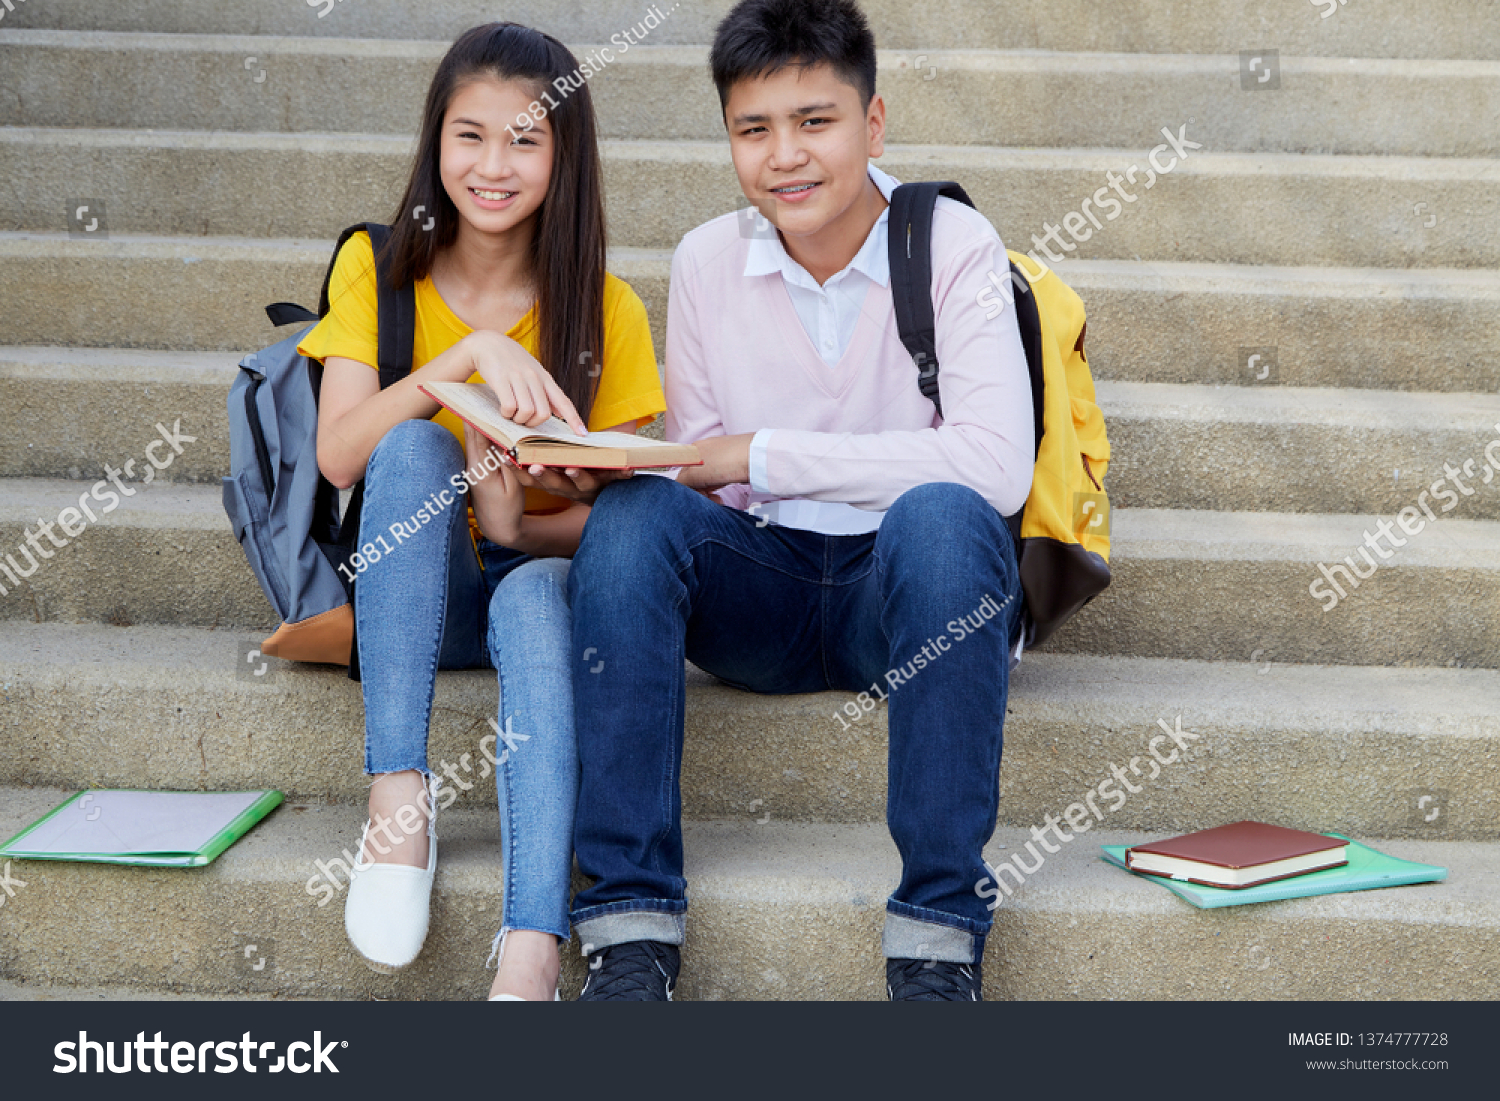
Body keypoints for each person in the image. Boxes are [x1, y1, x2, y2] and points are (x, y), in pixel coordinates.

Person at [561, 0, 1035, 1000]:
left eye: (815, 121)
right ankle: (629, 931)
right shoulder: (704, 262)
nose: (787, 156)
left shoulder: (953, 243)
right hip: (763, 589)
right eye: (753, 129)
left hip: (902, 602)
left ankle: (939, 937)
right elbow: (712, 479)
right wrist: (622, 468)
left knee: (945, 514)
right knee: (635, 516)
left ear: (874, 122)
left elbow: (995, 466)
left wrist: (762, 451)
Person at [301, 22, 665, 1001]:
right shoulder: (376, 271)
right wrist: (460, 363)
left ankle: (533, 947)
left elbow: (638, 530)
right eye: (471, 136)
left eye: (525, 139)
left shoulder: (606, 308)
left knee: (541, 594)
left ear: (564, 156)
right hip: (410, 588)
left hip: (529, 581)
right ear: (435, 143)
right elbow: (339, 455)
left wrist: (519, 520)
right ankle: (398, 797)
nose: (493, 166)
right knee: (414, 443)